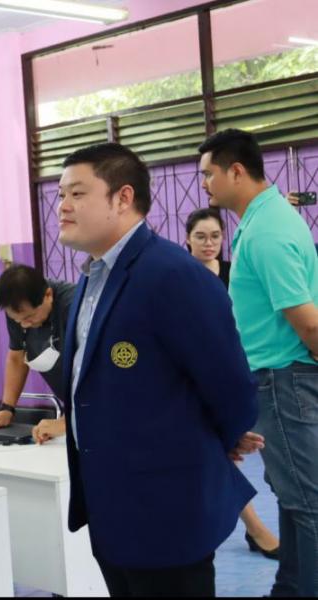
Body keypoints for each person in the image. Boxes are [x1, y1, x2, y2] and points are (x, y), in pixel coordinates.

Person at [58, 142, 262, 597]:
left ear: (123, 197)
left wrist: (217, 440)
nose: (63, 206)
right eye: (60, 195)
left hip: (168, 513)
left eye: (77, 193)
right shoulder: (93, 276)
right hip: (112, 509)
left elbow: (232, 388)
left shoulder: (172, 275)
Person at [199, 129, 318, 597]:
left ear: (236, 172)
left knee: (307, 503)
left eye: (209, 173)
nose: (204, 183)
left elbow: (306, 321)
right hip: (277, 377)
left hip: (283, 379)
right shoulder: (264, 218)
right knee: (294, 498)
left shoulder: (267, 230)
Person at [186, 206, 281, 560]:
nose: (208, 243)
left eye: (215, 236)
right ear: (187, 239)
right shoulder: (180, 277)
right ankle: (255, 528)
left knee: (247, 447)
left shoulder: (235, 273)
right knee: (220, 452)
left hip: (243, 369)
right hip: (199, 378)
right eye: (200, 236)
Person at [0, 264, 73, 440]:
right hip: (75, 407)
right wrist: (7, 408)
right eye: (18, 320)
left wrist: (68, 421)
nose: (24, 324)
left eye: (29, 317)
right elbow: (17, 358)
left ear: (48, 295)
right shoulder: (18, 311)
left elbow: (97, 371)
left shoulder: (74, 306)